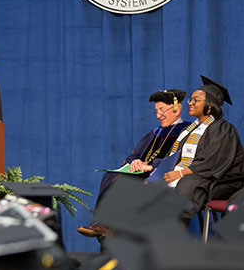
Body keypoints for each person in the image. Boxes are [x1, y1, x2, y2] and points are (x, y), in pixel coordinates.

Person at [77, 88, 191, 237]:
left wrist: (150, 166)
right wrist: (135, 162)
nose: (158, 115)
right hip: (142, 174)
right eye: (156, 111)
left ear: (176, 109)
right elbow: (133, 155)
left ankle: (110, 229)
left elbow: (180, 160)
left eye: (162, 110)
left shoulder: (186, 132)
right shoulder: (155, 133)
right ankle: (104, 227)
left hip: (161, 178)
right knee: (111, 176)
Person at [154, 76, 244, 220]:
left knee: (186, 186)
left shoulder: (223, 129)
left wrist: (180, 173)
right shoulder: (191, 129)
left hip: (217, 180)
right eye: (191, 99)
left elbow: (212, 162)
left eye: (196, 100)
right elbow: (175, 156)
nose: (190, 103)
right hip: (189, 174)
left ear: (209, 105)